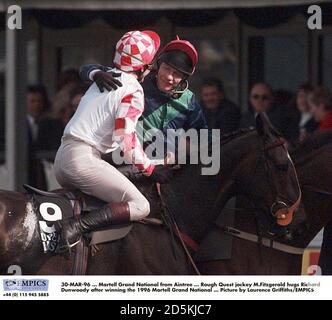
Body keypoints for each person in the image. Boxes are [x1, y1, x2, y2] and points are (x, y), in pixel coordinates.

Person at [54, 30, 173, 250]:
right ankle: (73, 228)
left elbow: (85, 69)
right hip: (82, 161)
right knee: (141, 205)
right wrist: (150, 169)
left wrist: (92, 73)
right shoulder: (134, 89)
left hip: (62, 159)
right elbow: (125, 139)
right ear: (143, 67)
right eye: (152, 63)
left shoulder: (105, 74)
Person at [80, 36, 207, 157]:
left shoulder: (188, 100)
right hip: (129, 160)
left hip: (168, 168)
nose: (169, 77)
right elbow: (86, 69)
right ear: (158, 65)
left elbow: (203, 136)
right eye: (167, 69)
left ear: (184, 78)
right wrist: (96, 73)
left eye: (177, 74)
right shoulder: (136, 81)